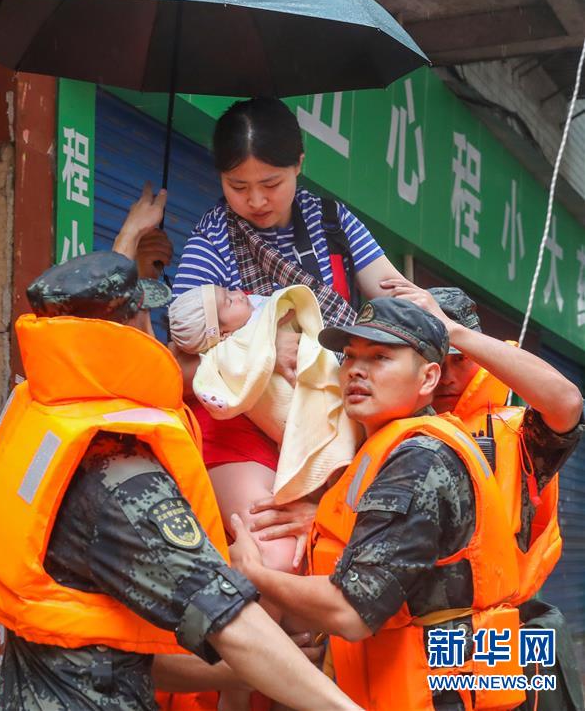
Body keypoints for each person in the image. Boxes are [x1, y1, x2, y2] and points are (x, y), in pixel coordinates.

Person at [0, 247, 364, 711]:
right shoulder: (120, 472)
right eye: (146, 317)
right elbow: (231, 624)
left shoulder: (36, 421)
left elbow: (104, 636)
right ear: (127, 331)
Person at [228, 297, 584, 711]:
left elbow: (568, 404)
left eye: (459, 360)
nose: (449, 377)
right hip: (418, 648)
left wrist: (454, 333)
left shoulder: (493, 435)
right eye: (351, 358)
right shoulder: (381, 433)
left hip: (492, 643)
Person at [114, 98, 408, 565]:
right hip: (241, 428)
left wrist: (440, 319)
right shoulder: (211, 242)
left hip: (336, 422)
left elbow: (397, 298)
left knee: (341, 559)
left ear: (299, 165)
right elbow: (180, 370)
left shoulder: (332, 222)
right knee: (278, 557)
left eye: (271, 183)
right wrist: (260, 348)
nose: (255, 201)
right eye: (238, 186)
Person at [169, 283, 360, 557]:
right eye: (228, 300)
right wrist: (261, 350)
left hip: (310, 433)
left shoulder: (253, 304)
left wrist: (324, 514)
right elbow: (172, 366)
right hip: (232, 438)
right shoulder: (207, 295)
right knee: (281, 554)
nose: (236, 295)